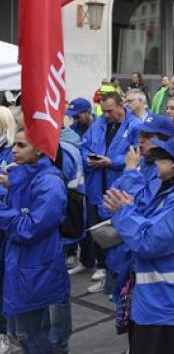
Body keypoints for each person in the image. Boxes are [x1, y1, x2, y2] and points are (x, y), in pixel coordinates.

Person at [104, 135, 174, 354]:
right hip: (159, 300)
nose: (153, 162)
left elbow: (148, 242)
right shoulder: (170, 192)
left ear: (173, 164)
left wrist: (124, 211)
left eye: (159, 158)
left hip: (169, 305)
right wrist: (128, 208)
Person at [0, 129, 69, 353]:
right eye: (15, 144)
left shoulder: (50, 184)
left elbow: (28, 229)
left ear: (39, 151)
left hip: (36, 267)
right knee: (23, 332)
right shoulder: (24, 177)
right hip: (21, 265)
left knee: (29, 333)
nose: (14, 150)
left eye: (21, 145)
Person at [80, 92, 140, 293]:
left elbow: (137, 155)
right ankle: (104, 269)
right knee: (98, 229)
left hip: (120, 188)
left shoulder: (134, 126)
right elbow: (84, 146)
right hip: (96, 185)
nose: (106, 115)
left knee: (117, 234)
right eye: (103, 111)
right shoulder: (98, 124)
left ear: (121, 105)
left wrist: (111, 162)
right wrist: (89, 159)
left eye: (110, 110)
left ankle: (119, 278)